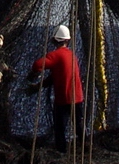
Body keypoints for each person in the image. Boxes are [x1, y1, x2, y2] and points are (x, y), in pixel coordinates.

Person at [31, 24, 84, 152]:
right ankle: (85, 148)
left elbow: (37, 65)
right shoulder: (72, 55)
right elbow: (57, 76)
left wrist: (32, 78)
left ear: (55, 40)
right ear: (67, 40)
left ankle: (61, 151)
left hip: (63, 100)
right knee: (79, 126)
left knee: (60, 128)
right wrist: (41, 85)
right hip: (77, 98)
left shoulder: (56, 55)